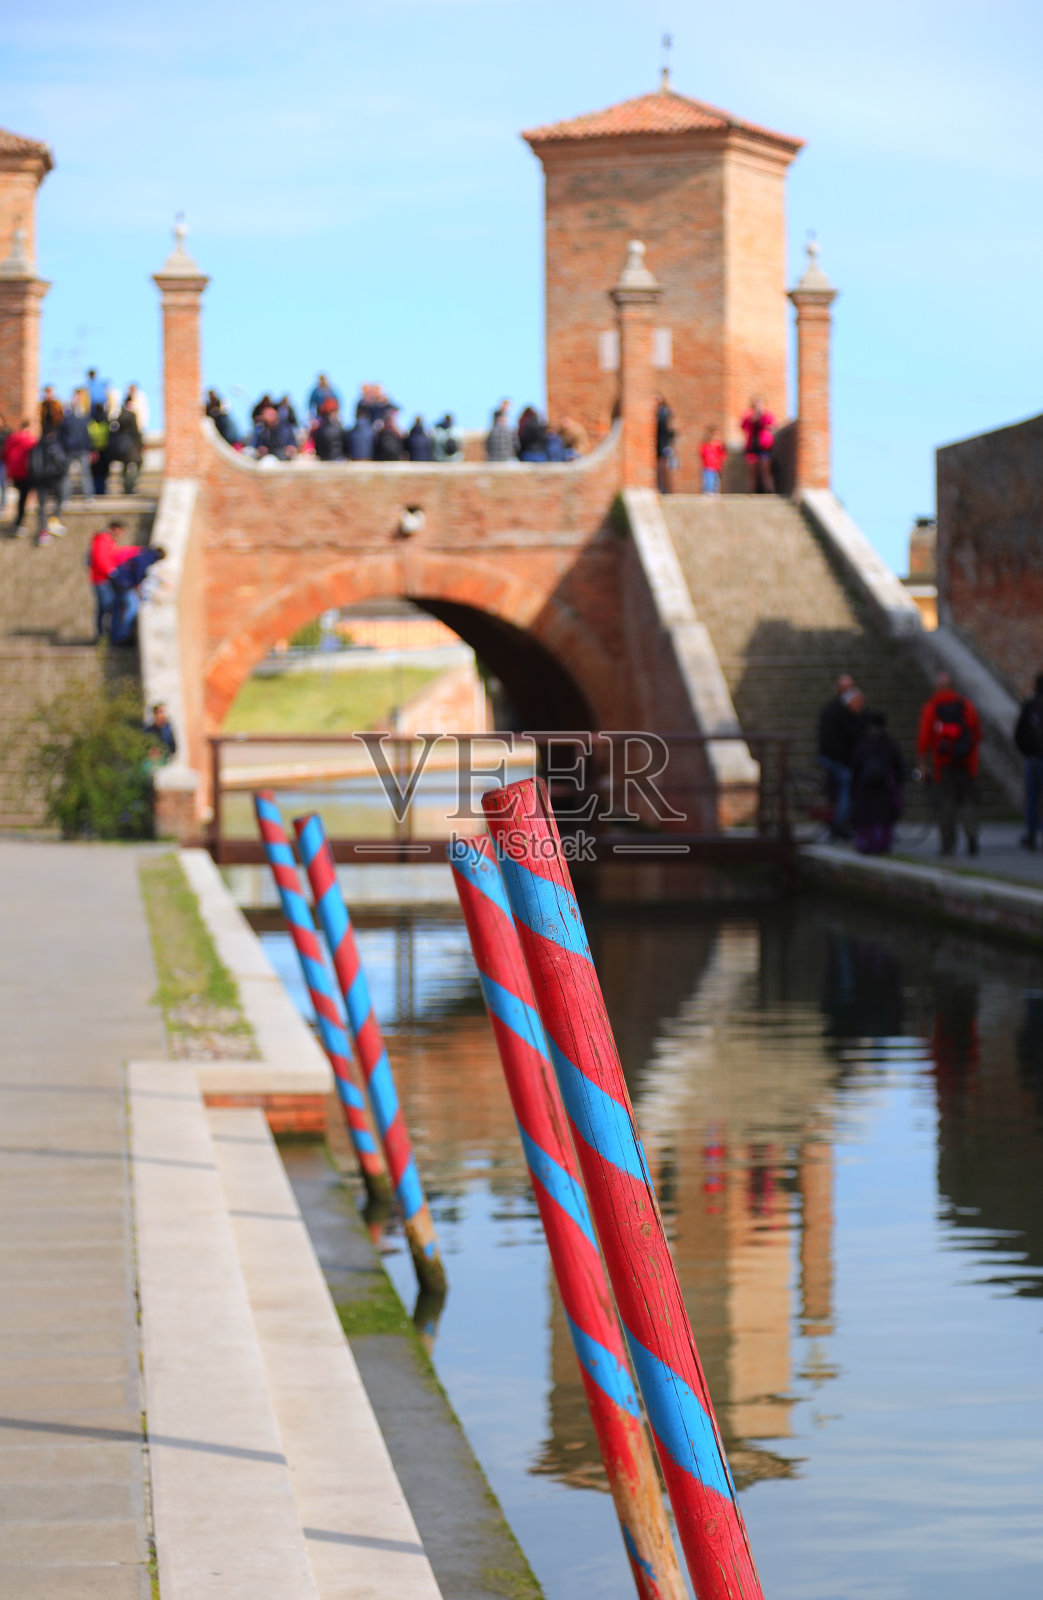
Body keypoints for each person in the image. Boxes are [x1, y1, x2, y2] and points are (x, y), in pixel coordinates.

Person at [917, 671, 982, 856]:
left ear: (938, 687)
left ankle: (948, 845)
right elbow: (976, 733)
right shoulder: (966, 705)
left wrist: (922, 761)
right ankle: (972, 835)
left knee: (946, 803)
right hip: (966, 762)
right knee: (970, 801)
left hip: (943, 763)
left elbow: (924, 737)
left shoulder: (931, 707)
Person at [816, 674, 865, 838]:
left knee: (839, 788)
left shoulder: (840, 708)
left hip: (834, 756)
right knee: (847, 783)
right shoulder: (837, 710)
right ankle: (839, 823)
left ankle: (841, 823)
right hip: (834, 758)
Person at [850, 711, 904, 854]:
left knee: (865, 817)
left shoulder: (862, 744)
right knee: (883, 818)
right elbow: (899, 768)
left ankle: (865, 844)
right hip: (884, 789)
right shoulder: (889, 744)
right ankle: (880, 845)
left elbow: (855, 768)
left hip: (864, 789)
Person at [87, 519, 139, 641]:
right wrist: (112, 572)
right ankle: (103, 634)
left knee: (104, 607)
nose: (121, 534)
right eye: (121, 531)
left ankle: (103, 634)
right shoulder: (103, 539)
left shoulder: (107, 540)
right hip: (101, 579)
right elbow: (100, 558)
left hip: (103, 579)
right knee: (107, 606)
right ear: (115, 528)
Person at [110, 544, 166, 646]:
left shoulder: (144, 554)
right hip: (124, 584)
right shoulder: (146, 560)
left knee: (118, 610)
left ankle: (115, 637)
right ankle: (123, 636)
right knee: (133, 607)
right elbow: (138, 576)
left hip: (117, 580)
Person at [1014, 672, 1043, 850]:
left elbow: (1018, 734)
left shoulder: (1030, 705)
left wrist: (1027, 752)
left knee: (1032, 799)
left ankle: (1031, 834)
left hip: (1033, 759)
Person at [29, 419, 68, 542]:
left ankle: (43, 529)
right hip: (53, 477)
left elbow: (32, 463)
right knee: (61, 497)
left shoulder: (37, 446)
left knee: (42, 505)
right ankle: (53, 520)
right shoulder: (54, 445)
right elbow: (61, 461)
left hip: (40, 478)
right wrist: (61, 472)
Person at [4, 419, 37, 534]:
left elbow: (5, 454)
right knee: (24, 498)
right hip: (26, 473)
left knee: (19, 497)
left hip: (14, 472)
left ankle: (16, 520)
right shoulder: (30, 440)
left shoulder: (12, 438)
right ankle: (19, 522)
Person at [59, 399, 93, 502]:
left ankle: (67, 497)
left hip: (73, 449)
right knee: (83, 474)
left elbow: (62, 435)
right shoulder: (81, 420)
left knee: (68, 475)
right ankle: (87, 497)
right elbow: (87, 435)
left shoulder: (67, 420)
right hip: (77, 449)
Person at [740, 398, 775, 493]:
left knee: (765, 471)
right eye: (756, 405)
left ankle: (770, 492)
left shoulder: (767, 415)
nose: (758, 406)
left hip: (764, 447)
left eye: (760, 404)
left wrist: (762, 416)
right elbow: (743, 426)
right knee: (752, 473)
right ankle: (751, 493)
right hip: (752, 447)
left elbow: (771, 425)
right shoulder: (749, 416)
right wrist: (753, 418)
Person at [111, 402, 143, 493]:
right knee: (136, 464)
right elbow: (135, 431)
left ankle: (126, 486)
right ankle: (130, 486)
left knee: (125, 466)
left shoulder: (120, 416)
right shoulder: (132, 416)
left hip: (122, 444)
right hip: (131, 444)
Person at [88, 403, 113, 495]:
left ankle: (97, 490)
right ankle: (102, 490)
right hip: (104, 451)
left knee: (95, 474)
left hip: (94, 451)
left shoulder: (91, 423)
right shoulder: (106, 423)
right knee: (103, 473)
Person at [655, 397, 676, 492]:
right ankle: (662, 487)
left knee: (662, 467)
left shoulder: (663, 413)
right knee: (661, 467)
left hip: (662, 444)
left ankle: (663, 488)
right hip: (660, 443)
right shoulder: (663, 413)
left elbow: (663, 426)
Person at [700, 425, 726, 495]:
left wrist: (721, 461)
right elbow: (703, 454)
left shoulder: (719, 444)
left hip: (716, 466)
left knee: (716, 482)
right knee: (709, 481)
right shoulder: (706, 444)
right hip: (708, 466)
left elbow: (722, 454)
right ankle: (707, 493)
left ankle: (714, 493)